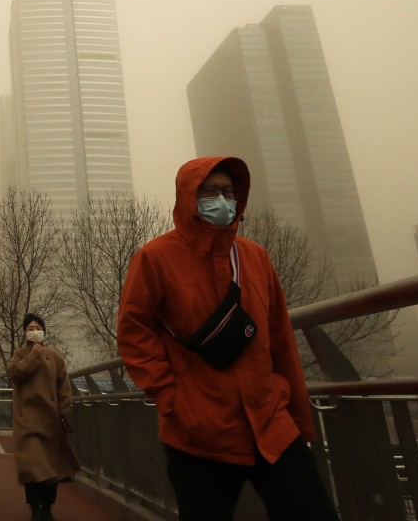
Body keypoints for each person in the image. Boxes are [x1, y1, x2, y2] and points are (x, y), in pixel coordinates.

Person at [116, 156, 338, 521]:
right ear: (189, 197)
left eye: (228, 192)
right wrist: (170, 398)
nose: (221, 200)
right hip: (197, 431)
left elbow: (280, 340)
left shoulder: (255, 257)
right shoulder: (154, 258)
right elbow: (134, 331)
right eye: (209, 191)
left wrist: (298, 417)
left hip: (270, 423)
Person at [7, 313, 80, 521]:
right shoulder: (20, 354)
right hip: (28, 421)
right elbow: (14, 374)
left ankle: (47, 507)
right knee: (32, 466)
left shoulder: (54, 356)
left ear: (44, 331)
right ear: (25, 332)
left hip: (51, 420)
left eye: (38, 328)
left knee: (51, 467)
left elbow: (64, 386)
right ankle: (35, 506)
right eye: (30, 329)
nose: (35, 332)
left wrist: (63, 412)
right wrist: (34, 355)